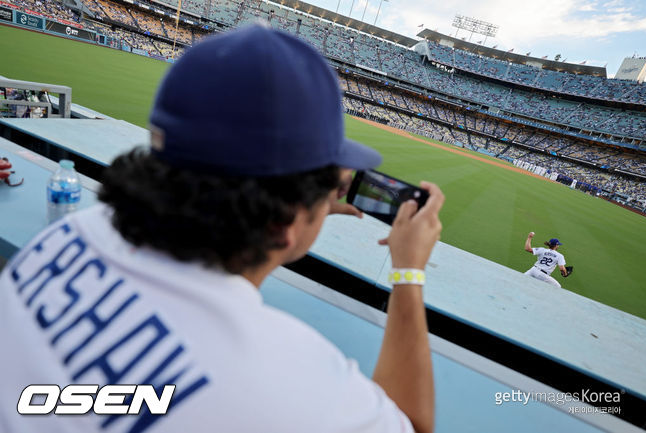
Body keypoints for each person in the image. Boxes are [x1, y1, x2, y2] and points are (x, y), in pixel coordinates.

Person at [0, 26, 444, 433]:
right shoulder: (287, 375)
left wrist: (296, 207)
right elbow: (412, 424)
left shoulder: (77, 229)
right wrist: (409, 271)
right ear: (283, 221)